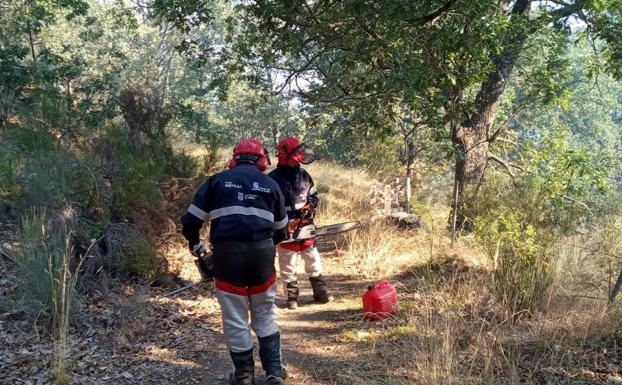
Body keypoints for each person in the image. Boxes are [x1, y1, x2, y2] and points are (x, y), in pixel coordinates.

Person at [181, 139, 289, 385]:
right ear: (262, 160)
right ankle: (274, 372)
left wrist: (195, 244)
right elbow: (282, 230)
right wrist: (266, 244)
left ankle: (243, 377)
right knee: (264, 313)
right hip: (262, 256)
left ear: (234, 159)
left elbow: (190, 221)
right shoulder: (271, 184)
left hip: (227, 257)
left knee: (235, 317)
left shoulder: (217, 181)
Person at [268, 136, 334, 310]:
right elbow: (268, 206)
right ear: (285, 155)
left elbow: (314, 196)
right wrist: (281, 223)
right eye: (296, 153)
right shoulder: (272, 179)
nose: (300, 157)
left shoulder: (304, 175)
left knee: (313, 259)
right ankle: (292, 297)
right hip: (284, 227)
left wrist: (309, 207)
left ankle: (321, 293)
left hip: (305, 225)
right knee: (287, 263)